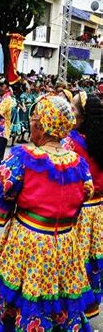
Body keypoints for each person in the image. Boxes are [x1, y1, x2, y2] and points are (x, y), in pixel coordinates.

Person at [0, 95, 95, 331]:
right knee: (58, 301)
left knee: (21, 297)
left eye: (34, 119)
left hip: (28, 243)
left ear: (41, 125)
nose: (31, 123)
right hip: (65, 245)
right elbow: (80, 203)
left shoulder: (23, 158)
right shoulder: (78, 164)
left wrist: (4, 212)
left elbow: (2, 208)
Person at [63, 91, 103, 319]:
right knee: (90, 262)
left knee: (73, 262)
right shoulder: (98, 140)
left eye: (73, 109)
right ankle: (87, 309)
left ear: (82, 117)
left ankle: (72, 312)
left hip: (78, 212)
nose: (69, 112)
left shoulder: (72, 143)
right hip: (98, 212)